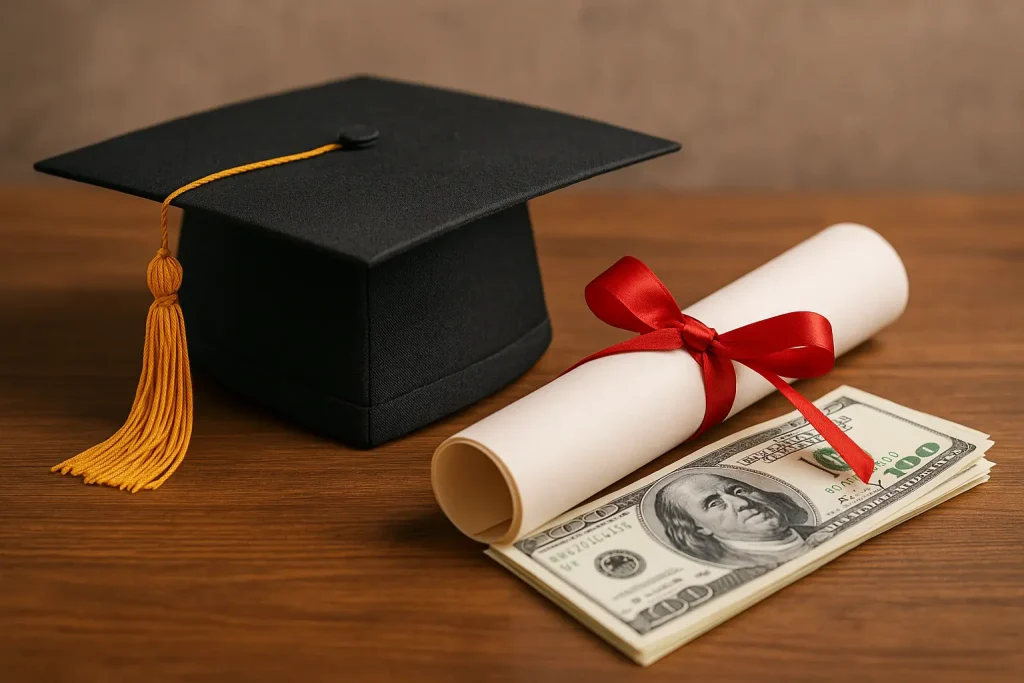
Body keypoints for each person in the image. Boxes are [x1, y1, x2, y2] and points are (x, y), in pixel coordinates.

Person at [654, 472, 828, 568]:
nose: (742, 503)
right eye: (714, 503)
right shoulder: (739, 568)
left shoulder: (824, 532)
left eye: (738, 491)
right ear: (698, 528)